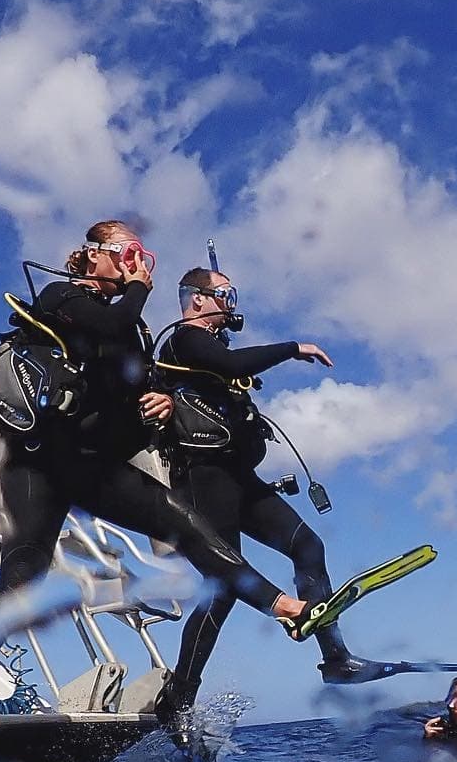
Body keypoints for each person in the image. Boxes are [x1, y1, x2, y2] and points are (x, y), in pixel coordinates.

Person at [0, 220, 312, 741]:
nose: (139, 263)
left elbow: (138, 371)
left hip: (93, 463)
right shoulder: (61, 296)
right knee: (23, 579)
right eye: (129, 252)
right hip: (40, 466)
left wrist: (162, 397)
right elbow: (106, 329)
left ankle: (283, 606)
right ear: (94, 256)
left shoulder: (131, 325)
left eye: (143, 255)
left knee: (185, 523)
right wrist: (139, 288)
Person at [152, 263, 400, 727]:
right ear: (198, 299)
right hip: (204, 476)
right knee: (222, 587)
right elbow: (231, 365)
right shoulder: (185, 340)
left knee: (308, 546)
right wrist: (292, 348)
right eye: (226, 296)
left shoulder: (208, 344)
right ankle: (179, 698)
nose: (233, 305)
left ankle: (336, 660)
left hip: (237, 476)